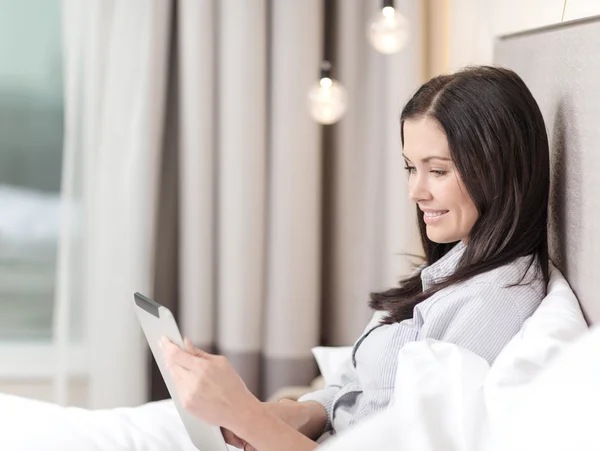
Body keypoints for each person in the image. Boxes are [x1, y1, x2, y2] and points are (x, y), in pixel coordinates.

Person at [161, 65, 550, 451]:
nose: (416, 190)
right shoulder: (456, 267)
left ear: (499, 169)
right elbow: (358, 392)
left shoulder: (494, 303)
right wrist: (289, 414)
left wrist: (247, 415)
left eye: (438, 171)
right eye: (411, 168)